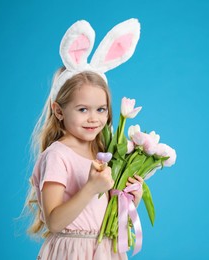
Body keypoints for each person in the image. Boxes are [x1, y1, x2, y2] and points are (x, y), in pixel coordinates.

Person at [25, 19, 143, 259]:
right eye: (82, 109)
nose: (93, 119)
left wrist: (129, 200)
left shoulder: (103, 151)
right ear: (59, 111)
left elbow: (104, 214)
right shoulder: (58, 155)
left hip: (105, 250)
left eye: (101, 109)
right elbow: (55, 222)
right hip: (72, 252)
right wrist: (90, 188)